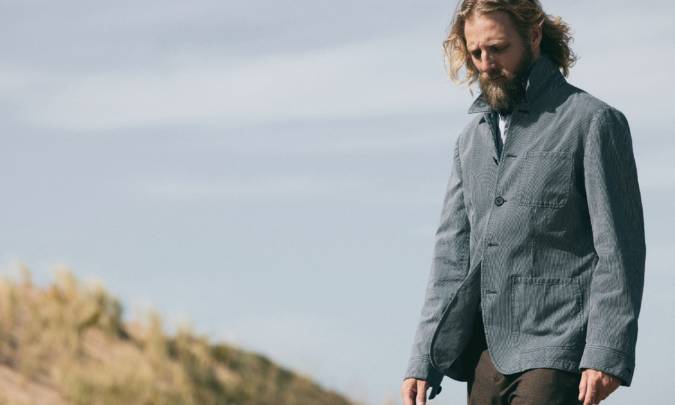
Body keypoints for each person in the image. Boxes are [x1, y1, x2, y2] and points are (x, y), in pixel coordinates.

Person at [400, 1, 646, 405]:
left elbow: (620, 249)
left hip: (559, 348)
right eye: (476, 52)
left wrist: (608, 350)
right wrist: (422, 359)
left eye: (498, 48)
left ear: (533, 36)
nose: (486, 64)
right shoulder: (469, 141)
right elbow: (450, 257)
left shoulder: (593, 121)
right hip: (484, 356)